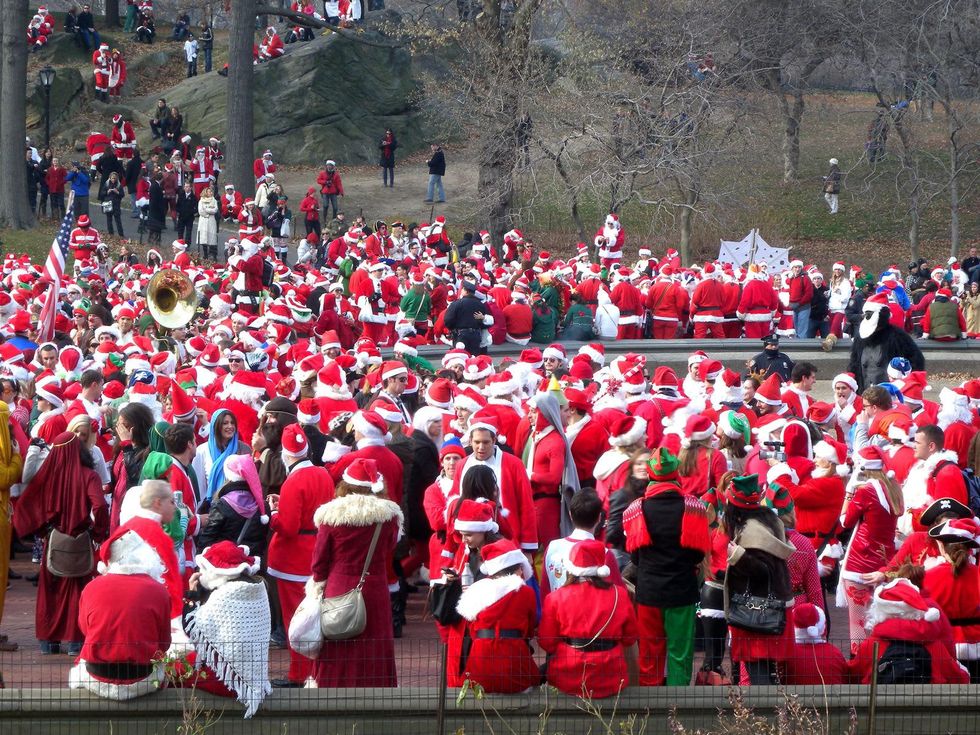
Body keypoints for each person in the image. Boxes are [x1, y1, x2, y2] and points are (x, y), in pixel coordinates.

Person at [13, 431, 110, 655]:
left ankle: (49, 641)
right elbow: (100, 506)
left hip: (54, 541)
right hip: (79, 541)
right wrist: (95, 533)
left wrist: (42, 531)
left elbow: (28, 505)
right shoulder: (89, 476)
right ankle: (75, 641)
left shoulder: (47, 477)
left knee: (50, 592)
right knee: (78, 590)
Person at [308, 457, 402, 687]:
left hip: (339, 588)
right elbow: (390, 548)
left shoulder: (331, 517)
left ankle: (333, 694)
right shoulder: (389, 517)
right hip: (376, 588)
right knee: (374, 646)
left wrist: (317, 585)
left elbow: (320, 561)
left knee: (338, 644)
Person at [625, 448, 709, 686]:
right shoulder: (694, 507)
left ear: (651, 474)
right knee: (680, 655)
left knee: (649, 655)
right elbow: (697, 555)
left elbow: (636, 558)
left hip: (649, 592)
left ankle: (650, 712)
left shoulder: (636, 509)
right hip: (682, 592)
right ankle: (677, 710)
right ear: (675, 474)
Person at [266, 424, 335, 687]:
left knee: (295, 619)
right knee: (316, 616)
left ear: (285, 453)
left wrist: (273, 514)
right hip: (316, 551)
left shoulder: (294, 480)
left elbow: (288, 527)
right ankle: (315, 671)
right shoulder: (323, 474)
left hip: (292, 558)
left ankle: (299, 673)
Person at [69, 530, 172, 700]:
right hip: (142, 679)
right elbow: (164, 643)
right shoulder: (159, 590)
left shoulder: (91, 588)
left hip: (96, 677)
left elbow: (86, 630)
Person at [539, 539, 639, 698]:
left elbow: (546, 642)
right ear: (601, 567)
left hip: (568, 679)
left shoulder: (555, 598)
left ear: (571, 567)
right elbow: (630, 637)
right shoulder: (619, 595)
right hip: (611, 679)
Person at [184, 541, 273, 717]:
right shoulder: (258, 589)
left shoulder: (224, 595)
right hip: (254, 677)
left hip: (225, 682)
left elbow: (192, 628)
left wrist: (192, 594)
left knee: (177, 669)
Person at [723, 473, 795, 685]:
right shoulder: (767, 521)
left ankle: (763, 715)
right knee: (766, 668)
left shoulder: (752, 531)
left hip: (756, 610)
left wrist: (738, 557)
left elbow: (763, 571)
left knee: (758, 670)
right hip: (768, 607)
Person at [455, 539, 539, 692]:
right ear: (519, 569)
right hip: (514, 656)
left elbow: (472, 630)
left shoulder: (477, 590)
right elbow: (530, 627)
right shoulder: (526, 592)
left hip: (480, 660)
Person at [443, 280, 490, 355]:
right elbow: (486, 322)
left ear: (466, 291)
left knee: (461, 357)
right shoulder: (480, 305)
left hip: (460, 335)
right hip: (476, 335)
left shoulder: (457, 304)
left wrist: (452, 328)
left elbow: (448, 320)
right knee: (474, 358)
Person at [100, 171, 125, 237]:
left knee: (118, 220)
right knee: (109, 220)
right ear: (110, 178)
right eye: (112, 178)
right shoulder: (106, 184)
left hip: (116, 205)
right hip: (108, 204)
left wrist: (117, 192)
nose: (113, 179)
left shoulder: (119, 185)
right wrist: (107, 192)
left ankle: (121, 234)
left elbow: (122, 194)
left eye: (114, 178)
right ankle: (111, 233)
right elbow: (102, 193)